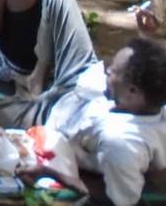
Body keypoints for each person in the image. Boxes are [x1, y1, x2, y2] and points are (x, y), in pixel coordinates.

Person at [13, 38, 166, 206]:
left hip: (44, 118)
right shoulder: (145, 101)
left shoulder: (121, 144)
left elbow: (119, 198)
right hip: (79, 84)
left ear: (132, 91)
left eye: (112, 72)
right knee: (61, 10)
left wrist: (52, 173)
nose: (107, 70)